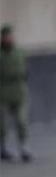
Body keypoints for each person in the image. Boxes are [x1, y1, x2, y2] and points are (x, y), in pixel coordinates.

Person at [0, 24, 31, 163]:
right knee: (2, 124)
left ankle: (24, 148)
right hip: (3, 93)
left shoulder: (19, 52)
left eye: (10, 36)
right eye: (6, 36)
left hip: (19, 92)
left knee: (22, 121)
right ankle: (3, 148)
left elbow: (25, 70)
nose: (9, 38)